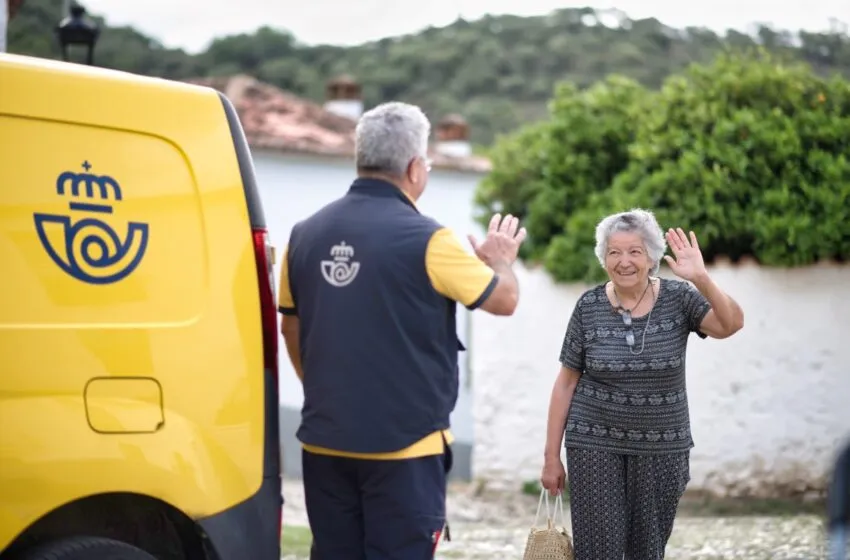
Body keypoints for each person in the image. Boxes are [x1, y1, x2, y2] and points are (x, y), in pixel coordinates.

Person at [277, 101, 527, 559]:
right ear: (415, 168)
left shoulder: (303, 235)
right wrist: (500, 262)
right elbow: (504, 300)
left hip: (325, 442)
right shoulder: (430, 239)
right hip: (406, 450)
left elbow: (290, 329)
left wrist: (325, 392)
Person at [540, 209, 744, 560]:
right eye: (614, 252)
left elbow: (731, 324)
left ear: (651, 257)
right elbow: (566, 383)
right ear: (603, 258)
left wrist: (703, 279)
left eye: (634, 251)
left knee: (647, 550)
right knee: (599, 550)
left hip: (662, 446)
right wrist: (550, 458)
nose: (624, 262)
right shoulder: (588, 306)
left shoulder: (680, 299)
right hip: (594, 440)